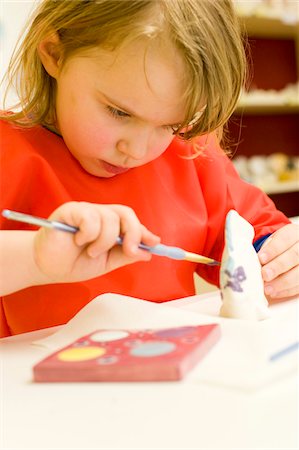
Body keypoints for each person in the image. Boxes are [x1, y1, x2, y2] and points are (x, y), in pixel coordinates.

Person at [0, 0, 298, 338]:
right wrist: (36, 257)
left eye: (170, 125)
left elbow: (257, 233)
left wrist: (278, 258)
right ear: (55, 53)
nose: (138, 151)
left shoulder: (190, 154)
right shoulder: (8, 152)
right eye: (119, 113)